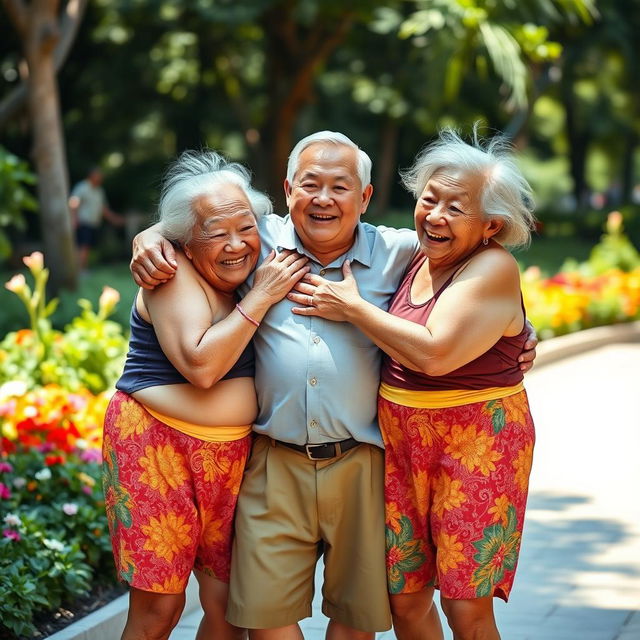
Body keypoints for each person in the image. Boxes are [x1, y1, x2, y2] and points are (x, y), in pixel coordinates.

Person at [129, 131, 538, 640]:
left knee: (363, 618)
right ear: (287, 190)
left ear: (364, 198)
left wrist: (519, 326)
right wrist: (150, 237)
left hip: (365, 461)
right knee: (265, 618)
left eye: (340, 187)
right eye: (310, 185)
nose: (323, 199)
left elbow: (478, 259)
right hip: (274, 460)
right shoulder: (253, 245)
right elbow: (200, 223)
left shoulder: (400, 251)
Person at [288, 128, 537, 640]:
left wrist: (352, 308)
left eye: (456, 208)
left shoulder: (492, 265)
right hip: (402, 448)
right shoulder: (414, 256)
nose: (436, 216)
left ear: (492, 224)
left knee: (466, 608)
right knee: (404, 598)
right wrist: (152, 236)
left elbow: (434, 352)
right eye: (430, 199)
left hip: (474, 446)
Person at [102, 150, 308, 640]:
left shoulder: (258, 257)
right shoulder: (170, 272)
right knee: (161, 607)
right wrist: (262, 296)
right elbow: (202, 365)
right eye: (216, 234)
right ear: (185, 243)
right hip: (157, 447)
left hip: (233, 458)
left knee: (227, 605)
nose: (236, 245)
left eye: (246, 228)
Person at [69, 167, 125, 271]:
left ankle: (82, 268)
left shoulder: (99, 190)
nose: (100, 178)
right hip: (83, 222)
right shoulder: (82, 187)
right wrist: (73, 219)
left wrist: (114, 219)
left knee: (87, 247)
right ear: (91, 175)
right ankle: (80, 270)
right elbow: (73, 203)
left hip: (93, 224)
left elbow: (103, 209)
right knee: (83, 246)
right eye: (98, 176)